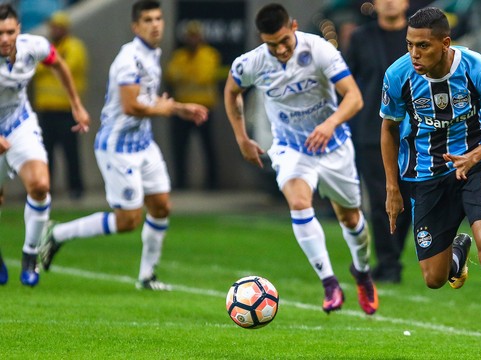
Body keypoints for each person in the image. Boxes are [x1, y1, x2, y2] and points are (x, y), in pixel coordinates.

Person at [380, 8, 481, 359]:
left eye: (423, 46)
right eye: (410, 45)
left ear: (445, 43)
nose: (414, 54)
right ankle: (458, 249)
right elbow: (388, 129)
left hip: (476, 165)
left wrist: (475, 156)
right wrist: (393, 188)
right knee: (434, 279)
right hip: (426, 175)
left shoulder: (477, 69)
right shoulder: (398, 75)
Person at [39, 0, 208, 291]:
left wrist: (178, 108)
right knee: (127, 221)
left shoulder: (152, 54)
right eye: (148, 20)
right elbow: (131, 106)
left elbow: (149, 99)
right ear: (135, 26)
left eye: (158, 18)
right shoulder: (129, 58)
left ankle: (146, 277)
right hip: (117, 147)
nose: (155, 24)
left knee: (161, 206)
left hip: (144, 144)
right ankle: (58, 233)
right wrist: (166, 111)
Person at [224, 3, 378, 315]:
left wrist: (329, 123)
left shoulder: (318, 49)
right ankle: (329, 283)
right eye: (272, 44)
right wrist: (242, 138)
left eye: (284, 40)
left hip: (334, 145)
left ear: (293, 26)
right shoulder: (251, 63)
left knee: (351, 218)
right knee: (298, 202)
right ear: (261, 39)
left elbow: (354, 96)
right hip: (291, 148)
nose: (280, 49)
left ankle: (362, 272)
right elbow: (231, 91)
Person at [0, 4, 90, 287]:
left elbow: (58, 64)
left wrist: (76, 105)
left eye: (9, 32)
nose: (4, 38)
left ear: (19, 31)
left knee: (40, 186)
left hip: (20, 124)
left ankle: (30, 254)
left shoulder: (34, 47)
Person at [345, 0, 411, 284]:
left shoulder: (418, 36)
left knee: (409, 197)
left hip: (414, 132)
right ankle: (389, 262)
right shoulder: (361, 37)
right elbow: (347, 83)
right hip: (372, 131)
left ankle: (391, 259)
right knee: (380, 198)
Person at [32, 11, 88, 200]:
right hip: (46, 109)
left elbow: (67, 67)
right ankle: (45, 187)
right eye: (52, 26)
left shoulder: (74, 46)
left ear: (65, 28)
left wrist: (50, 65)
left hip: (66, 109)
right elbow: (36, 67)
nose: (54, 30)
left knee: (70, 151)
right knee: (45, 152)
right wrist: (52, 65)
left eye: (57, 26)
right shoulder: (47, 47)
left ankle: (76, 188)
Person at [165, 20, 222, 190]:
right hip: (182, 108)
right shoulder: (179, 55)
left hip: (204, 107)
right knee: (180, 147)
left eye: (195, 36)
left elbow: (204, 75)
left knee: (208, 145)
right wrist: (186, 74)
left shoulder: (209, 54)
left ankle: (212, 182)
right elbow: (171, 75)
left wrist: (185, 74)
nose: (192, 40)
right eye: (190, 36)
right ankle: (181, 181)